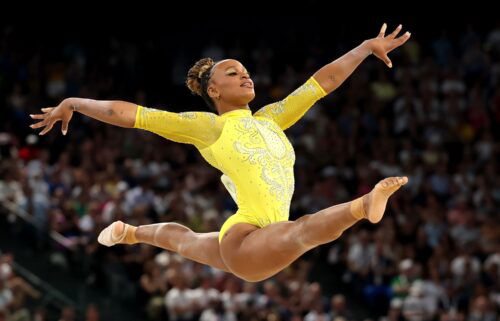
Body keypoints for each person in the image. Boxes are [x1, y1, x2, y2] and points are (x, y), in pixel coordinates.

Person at [30, 23, 411, 282]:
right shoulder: (210, 127)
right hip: (249, 238)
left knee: (183, 240)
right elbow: (131, 114)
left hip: (254, 239)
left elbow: (320, 83)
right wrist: (75, 102)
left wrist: (363, 48)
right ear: (213, 91)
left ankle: (129, 233)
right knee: (303, 230)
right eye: (232, 73)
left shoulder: (271, 119)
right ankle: (364, 206)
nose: (245, 75)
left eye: (245, 71)